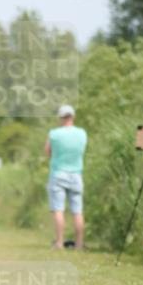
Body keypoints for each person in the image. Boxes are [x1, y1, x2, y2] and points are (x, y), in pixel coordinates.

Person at [45, 104, 87, 250]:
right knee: (77, 211)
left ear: (60, 118)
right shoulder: (82, 133)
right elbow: (81, 151)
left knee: (58, 209)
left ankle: (59, 242)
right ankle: (79, 244)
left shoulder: (54, 134)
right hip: (76, 174)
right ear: (73, 117)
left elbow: (48, 152)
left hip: (58, 174)